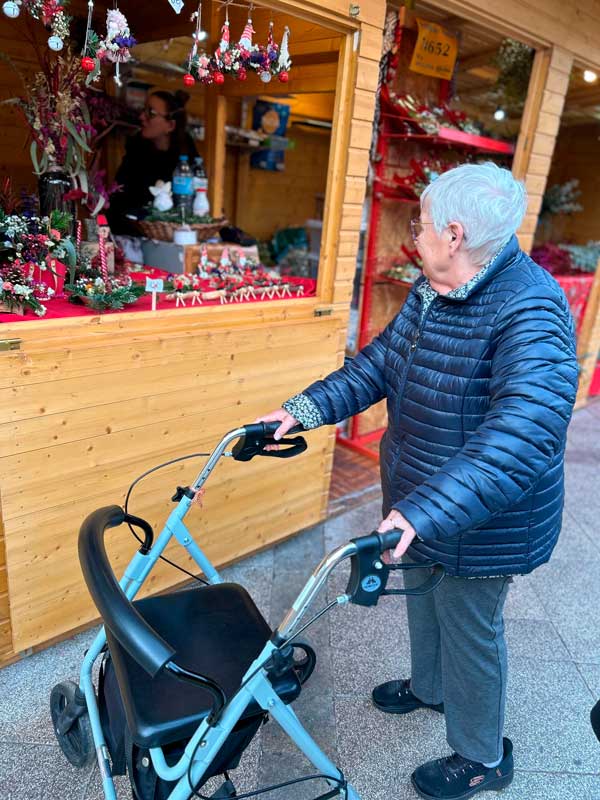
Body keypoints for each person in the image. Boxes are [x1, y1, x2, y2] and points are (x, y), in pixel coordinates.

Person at [257, 162, 579, 800]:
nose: (417, 233)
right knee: (425, 597)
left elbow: (522, 435)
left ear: (454, 234)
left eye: (423, 222)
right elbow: (381, 363)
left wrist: (427, 511)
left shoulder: (531, 309)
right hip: (423, 500)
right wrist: (302, 411)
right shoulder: (433, 287)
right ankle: (430, 691)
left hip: (483, 519)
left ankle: (483, 756)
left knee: (469, 628)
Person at [107, 90, 198, 234]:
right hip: (129, 236)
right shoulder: (136, 151)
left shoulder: (187, 160)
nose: (142, 117)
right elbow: (118, 201)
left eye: (151, 113)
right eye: (144, 110)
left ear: (170, 125)